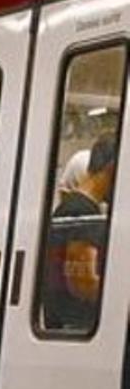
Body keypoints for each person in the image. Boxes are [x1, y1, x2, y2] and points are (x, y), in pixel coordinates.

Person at [43, 135, 117, 333]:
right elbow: (83, 283)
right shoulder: (83, 213)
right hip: (75, 327)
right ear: (112, 168)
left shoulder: (72, 208)